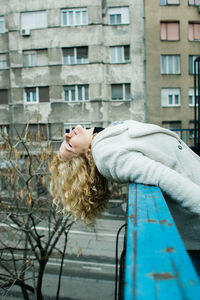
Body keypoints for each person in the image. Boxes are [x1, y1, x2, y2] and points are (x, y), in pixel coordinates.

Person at [50, 119, 200, 250]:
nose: (67, 135)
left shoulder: (104, 138)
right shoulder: (105, 154)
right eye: (69, 145)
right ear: (87, 157)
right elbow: (163, 177)